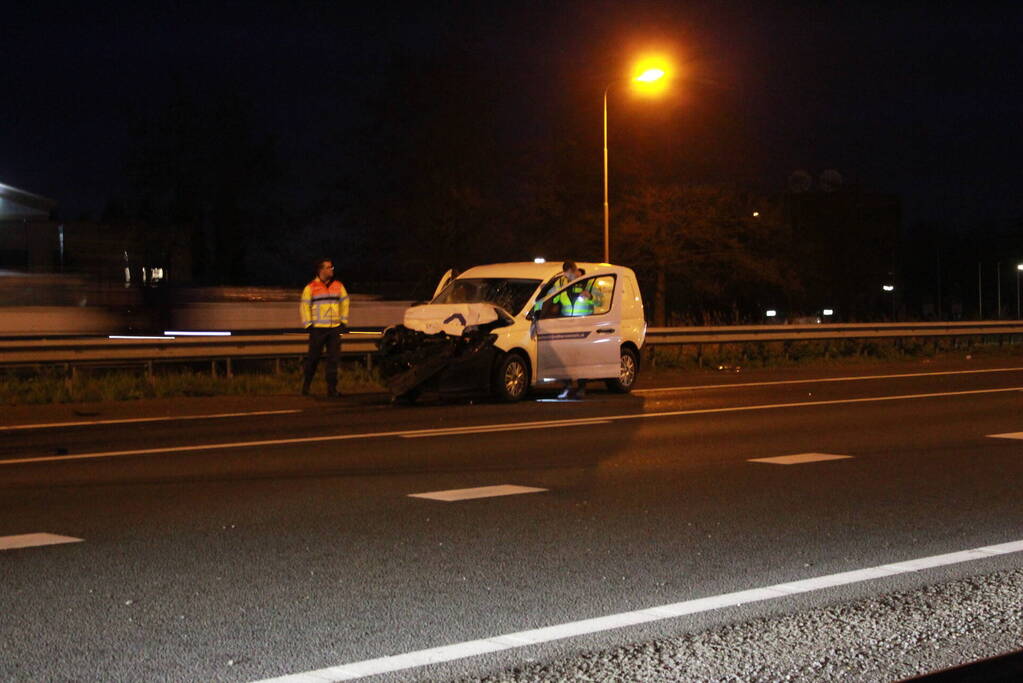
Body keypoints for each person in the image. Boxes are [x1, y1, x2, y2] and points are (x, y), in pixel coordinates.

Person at [300, 259, 349, 397]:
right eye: (329, 267)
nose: (332, 269)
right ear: (321, 270)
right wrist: (308, 324)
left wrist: (343, 321)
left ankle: (332, 389)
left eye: (332, 267)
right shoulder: (310, 287)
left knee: (333, 360)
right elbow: (304, 306)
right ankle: (306, 387)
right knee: (313, 359)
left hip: (334, 329)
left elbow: (345, 302)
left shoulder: (338, 286)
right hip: (318, 329)